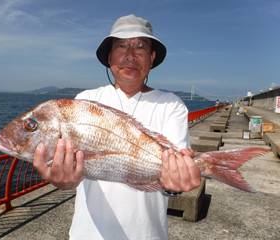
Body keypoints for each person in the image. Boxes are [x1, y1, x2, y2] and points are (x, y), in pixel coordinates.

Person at [33, 14, 201, 240]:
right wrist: (64, 181)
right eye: (121, 46)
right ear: (110, 56)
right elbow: (74, 167)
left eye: (140, 47)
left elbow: (174, 169)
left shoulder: (171, 105)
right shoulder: (86, 100)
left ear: (151, 58)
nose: (130, 55)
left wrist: (174, 184)